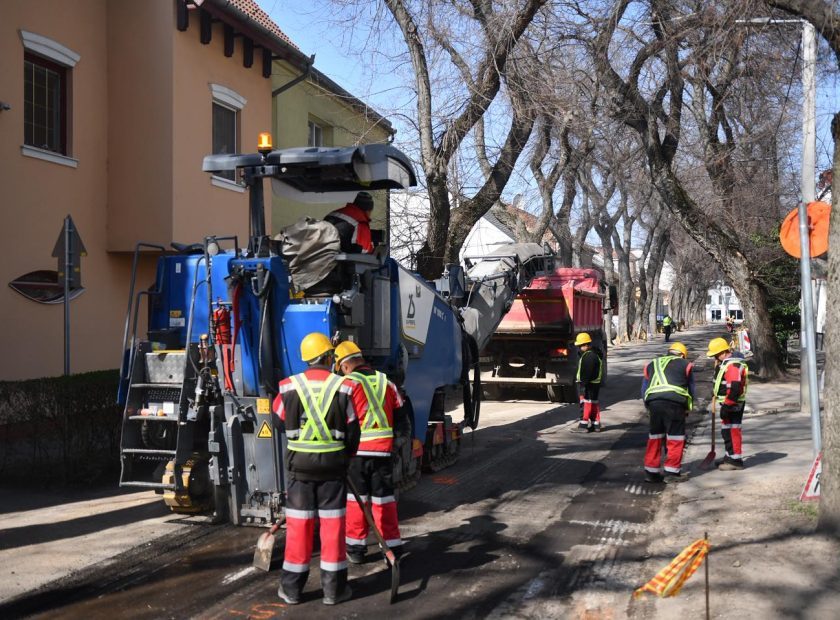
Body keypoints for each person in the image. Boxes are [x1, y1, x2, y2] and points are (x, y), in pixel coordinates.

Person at [272, 332, 360, 606]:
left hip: (300, 472)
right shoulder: (344, 387)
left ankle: (292, 590)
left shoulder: (288, 387)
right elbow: (353, 432)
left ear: (307, 359)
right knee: (333, 530)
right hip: (333, 471)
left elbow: (277, 421)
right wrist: (344, 459)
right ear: (328, 357)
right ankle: (334, 592)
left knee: (299, 529)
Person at [334, 341, 407, 564]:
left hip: (357, 453)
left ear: (344, 365)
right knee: (384, 500)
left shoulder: (346, 385)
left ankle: (356, 550)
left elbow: (338, 420)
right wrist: (396, 445)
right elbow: (401, 417)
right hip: (383, 452)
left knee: (356, 501)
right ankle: (392, 548)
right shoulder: (387, 382)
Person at [641, 342, 695, 483]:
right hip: (675, 403)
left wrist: (648, 406)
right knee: (675, 438)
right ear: (682, 355)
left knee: (655, 437)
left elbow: (644, 388)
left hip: (654, 403)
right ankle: (671, 472)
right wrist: (688, 407)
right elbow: (691, 389)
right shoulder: (685, 365)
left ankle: (651, 472)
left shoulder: (653, 363)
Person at [707, 337, 749, 471]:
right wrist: (715, 392)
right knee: (726, 431)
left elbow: (735, 388)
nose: (714, 358)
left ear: (722, 352)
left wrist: (727, 405)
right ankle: (729, 456)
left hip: (733, 404)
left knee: (733, 430)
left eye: (715, 355)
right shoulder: (725, 363)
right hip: (727, 402)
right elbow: (723, 382)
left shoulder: (732, 365)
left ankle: (735, 460)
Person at [571, 332, 603, 432]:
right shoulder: (594, 354)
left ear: (585, 345)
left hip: (588, 384)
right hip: (594, 384)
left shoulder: (589, 356)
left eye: (580, 346)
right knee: (593, 403)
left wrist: (583, 383)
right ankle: (596, 424)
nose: (579, 348)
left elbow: (587, 372)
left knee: (586, 403)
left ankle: (583, 425)